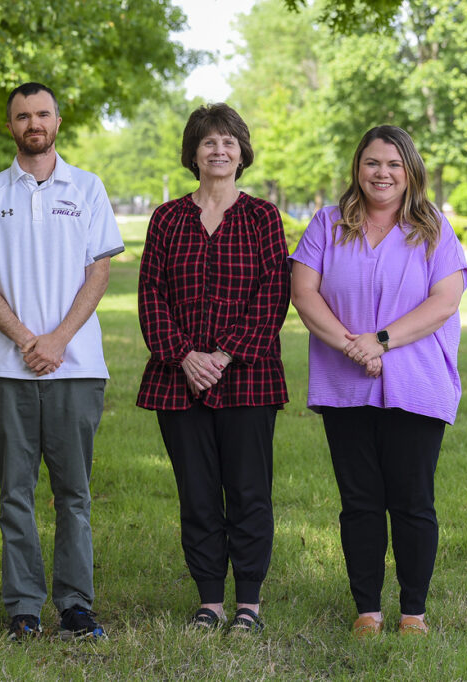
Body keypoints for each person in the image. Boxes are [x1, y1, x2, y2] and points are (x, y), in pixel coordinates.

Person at [0, 82, 123, 641]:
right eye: (23, 115)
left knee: (73, 493)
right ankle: (23, 607)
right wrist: (30, 339)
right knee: (15, 493)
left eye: (43, 113)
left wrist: (57, 340)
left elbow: (98, 272)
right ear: (10, 126)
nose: (34, 123)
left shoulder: (89, 188)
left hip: (77, 368)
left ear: (58, 119)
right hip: (7, 368)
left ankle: (76, 606)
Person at [289, 125, 467, 637]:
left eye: (393, 164)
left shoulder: (433, 227)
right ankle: (367, 609)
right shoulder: (328, 223)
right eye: (372, 163)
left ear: (410, 170)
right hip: (346, 383)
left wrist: (381, 341)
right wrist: (354, 345)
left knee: (413, 501)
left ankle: (414, 611)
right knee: (360, 501)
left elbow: (445, 301)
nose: (382, 173)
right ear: (357, 168)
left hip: (416, 382)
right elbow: (305, 293)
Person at [136, 103, 290, 634]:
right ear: (193, 153)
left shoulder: (262, 216)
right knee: (197, 494)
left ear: (241, 152)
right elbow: (151, 294)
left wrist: (222, 354)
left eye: (228, 141)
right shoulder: (167, 218)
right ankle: (210, 601)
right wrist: (183, 355)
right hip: (178, 380)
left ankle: (247, 601)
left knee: (249, 491)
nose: (219, 150)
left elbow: (274, 294)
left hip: (248, 377)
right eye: (208, 142)